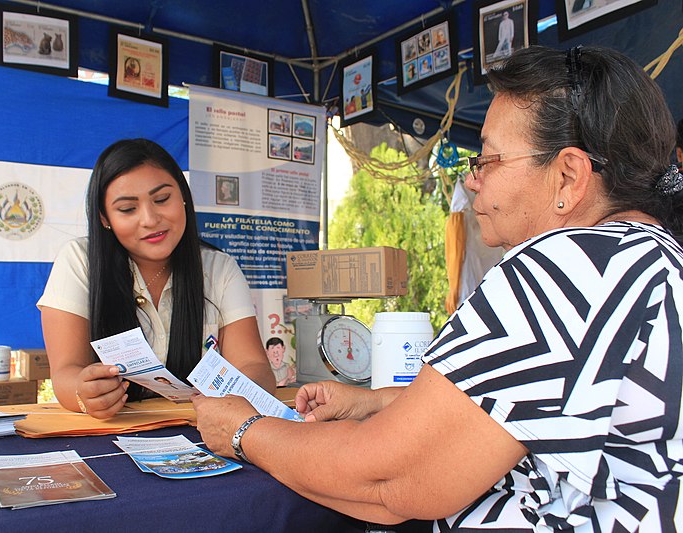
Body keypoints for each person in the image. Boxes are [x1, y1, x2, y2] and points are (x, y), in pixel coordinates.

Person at [192, 46, 683, 530]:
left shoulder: (565, 267)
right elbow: (519, 411)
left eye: (488, 160)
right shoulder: (653, 257)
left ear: (568, 177)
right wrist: (378, 402)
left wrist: (241, 430)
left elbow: (389, 479)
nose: (472, 182)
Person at [38, 139, 275, 419]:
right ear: (105, 217)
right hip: (112, 430)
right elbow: (66, 374)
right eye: (128, 209)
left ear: (183, 197)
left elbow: (253, 365)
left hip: (205, 430)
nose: (150, 219)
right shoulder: (79, 261)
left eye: (162, 199)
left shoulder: (219, 269)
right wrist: (84, 391)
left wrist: (244, 393)